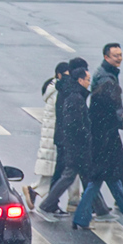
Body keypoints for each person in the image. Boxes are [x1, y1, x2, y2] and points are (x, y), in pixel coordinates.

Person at [76, 57, 123, 231]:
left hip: (101, 155)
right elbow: (106, 137)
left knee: (110, 186)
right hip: (103, 156)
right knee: (97, 186)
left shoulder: (97, 108)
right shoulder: (107, 116)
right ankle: (81, 217)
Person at [39, 60, 96, 219]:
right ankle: (50, 204)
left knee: (76, 174)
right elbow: (72, 120)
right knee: (67, 174)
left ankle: (93, 205)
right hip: (70, 140)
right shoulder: (72, 93)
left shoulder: (68, 88)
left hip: (65, 138)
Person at [30, 61, 65, 208]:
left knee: (56, 171)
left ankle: (37, 192)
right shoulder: (57, 91)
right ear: (59, 75)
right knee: (60, 171)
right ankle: (37, 192)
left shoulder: (55, 89)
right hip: (55, 135)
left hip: (53, 134)